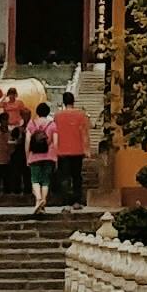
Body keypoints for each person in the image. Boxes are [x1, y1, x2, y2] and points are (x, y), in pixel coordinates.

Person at [48, 76, 93, 211]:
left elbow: (54, 133)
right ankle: (77, 200)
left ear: (63, 102)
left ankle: (66, 201)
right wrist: (87, 149)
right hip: (77, 151)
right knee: (77, 176)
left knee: (64, 176)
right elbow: (84, 133)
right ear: (73, 101)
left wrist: (54, 150)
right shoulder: (81, 115)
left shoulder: (57, 116)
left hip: (62, 151)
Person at [23, 96, 58, 214]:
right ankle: (43, 202)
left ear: (37, 112)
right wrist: (56, 157)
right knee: (46, 181)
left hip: (35, 157)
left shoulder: (31, 124)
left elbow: (27, 141)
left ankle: (38, 199)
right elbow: (56, 142)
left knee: (35, 180)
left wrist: (27, 156)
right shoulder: (52, 124)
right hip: (49, 157)